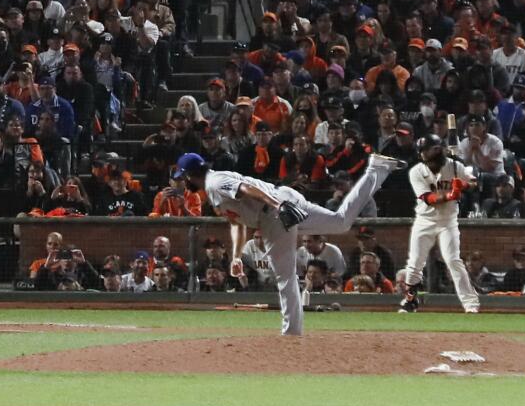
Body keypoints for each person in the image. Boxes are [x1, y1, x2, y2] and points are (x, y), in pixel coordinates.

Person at [174, 148, 401, 336]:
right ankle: (377, 168)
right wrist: (236, 256)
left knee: (285, 277)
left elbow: (248, 189)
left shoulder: (214, 183)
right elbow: (238, 223)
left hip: (274, 212)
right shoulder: (215, 186)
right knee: (340, 222)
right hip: (283, 201)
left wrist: (277, 206)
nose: (182, 181)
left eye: (182, 177)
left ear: (188, 174)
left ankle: (291, 332)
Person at [398, 136, 480, 313]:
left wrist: (463, 185)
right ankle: (410, 300)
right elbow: (429, 198)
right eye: (430, 149)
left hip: (448, 222)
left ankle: (471, 304)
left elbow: (474, 182)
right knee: (414, 264)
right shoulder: (416, 172)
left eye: (437, 148)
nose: (435, 151)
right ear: (422, 154)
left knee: (453, 260)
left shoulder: (454, 166)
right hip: (424, 220)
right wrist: (450, 195)